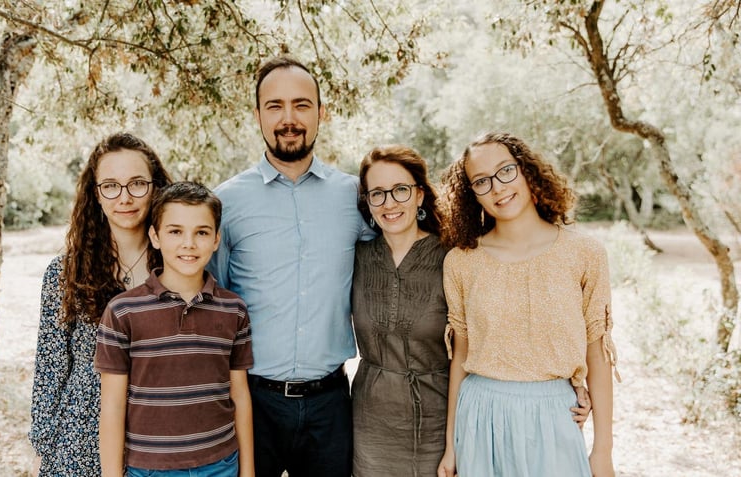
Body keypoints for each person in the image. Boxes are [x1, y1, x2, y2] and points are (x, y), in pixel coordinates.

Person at [207, 55, 374, 477]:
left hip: (331, 402)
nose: (289, 118)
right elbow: (214, 298)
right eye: (275, 106)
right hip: (252, 400)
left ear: (321, 112)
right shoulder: (227, 203)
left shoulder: (354, 197)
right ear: (258, 115)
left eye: (301, 105)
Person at [436, 132, 619, 477]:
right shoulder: (461, 262)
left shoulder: (584, 253)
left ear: (525, 170)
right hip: (479, 417)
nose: (497, 188)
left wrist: (603, 450)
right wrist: (451, 446)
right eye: (481, 181)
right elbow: (459, 357)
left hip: (555, 414)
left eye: (505, 171)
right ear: (471, 194)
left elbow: (597, 353)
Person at [29, 132, 173, 476]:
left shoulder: (179, 265)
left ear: (156, 187)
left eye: (137, 183)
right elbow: (50, 366)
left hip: (158, 437)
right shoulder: (65, 273)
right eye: (110, 185)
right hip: (80, 438)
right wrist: (42, 448)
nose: (124, 197)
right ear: (96, 194)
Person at [95, 181, 255, 477]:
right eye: (175, 231)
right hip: (149, 468)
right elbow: (113, 406)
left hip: (220, 464)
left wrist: (247, 471)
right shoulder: (122, 311)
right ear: (155, 236)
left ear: (217, 239)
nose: (189, 244)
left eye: (202, 232)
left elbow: (240, 396)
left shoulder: (234, 310)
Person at [350, 145, 449, 477]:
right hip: (370, 425)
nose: (389, 203)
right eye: (377, 194)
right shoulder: (357, 257)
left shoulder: (451, 257)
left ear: (419, 195)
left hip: (438, 420)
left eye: (400, 190)